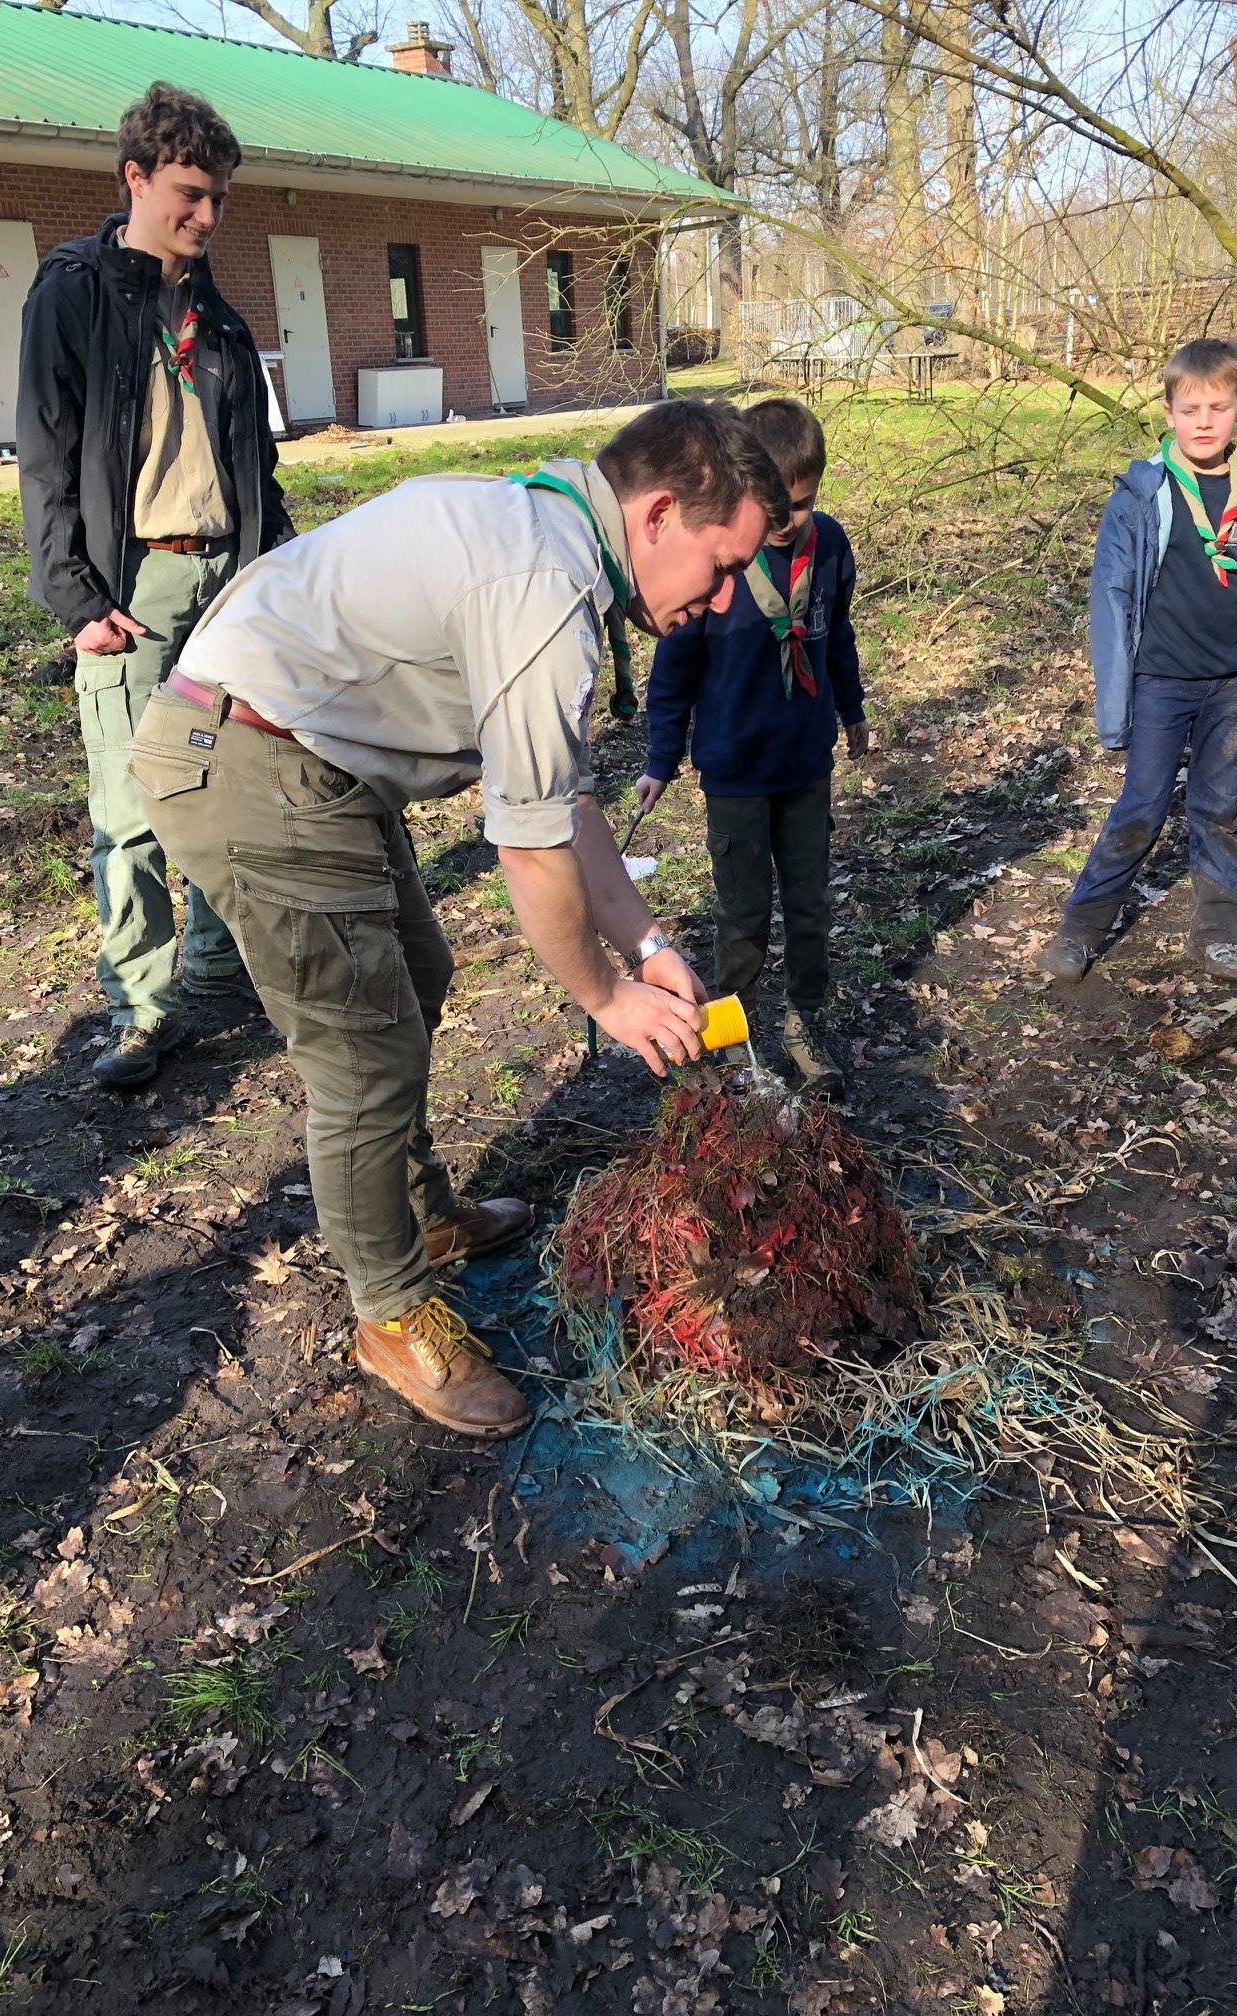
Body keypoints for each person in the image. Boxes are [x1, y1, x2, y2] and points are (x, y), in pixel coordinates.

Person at [128, 400, 788, 1440]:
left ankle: (420, 1215)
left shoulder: (553, 528)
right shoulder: (545, 590)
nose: (722, 599)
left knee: (417, 976)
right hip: (248, 759)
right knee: (362, 1052)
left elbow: (564, 800)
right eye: (722, 566)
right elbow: (529, 848)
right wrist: (607, 997)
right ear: (660, 514)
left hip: (309, 753)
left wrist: (647, 943)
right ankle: (392, 1316)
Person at [18, 82, 293, 1090]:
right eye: (189, 193)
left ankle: (217, 960)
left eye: (218, 197)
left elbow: (256, 465)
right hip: (133, 586)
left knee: (222, 784)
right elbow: (45, 453)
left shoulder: (218, 315)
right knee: (131, 811)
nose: (207, 215)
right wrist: (77, 600)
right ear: (134, 178)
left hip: (228, 581)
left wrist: (281, 572)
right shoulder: (74, 293)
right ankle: (141, 1008)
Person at [1037, 336, 1237, 988]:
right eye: (1190, 409)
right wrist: (1115, 701)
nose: (1204, 421)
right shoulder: (1142, 494)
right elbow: (1111, 599)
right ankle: (1080, 931)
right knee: (1141, 806)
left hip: (1236, 680)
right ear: (1168, 412)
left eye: (1217, 408)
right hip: (1161, 679)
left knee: (1218, 807)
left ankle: (1218, 936)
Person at [633, 397, 868, 1096]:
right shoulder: (720, 568)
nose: (789, 521)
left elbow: (839, 636)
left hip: (805, 767)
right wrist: (660, 758)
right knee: (742, 916)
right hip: (735, 774)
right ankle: (733, 1040)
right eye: (777, 507)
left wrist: (852, 709)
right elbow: (673, 670)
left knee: (810, 906)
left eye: (803, 503)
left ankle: (805, 1022)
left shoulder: (830, 548)